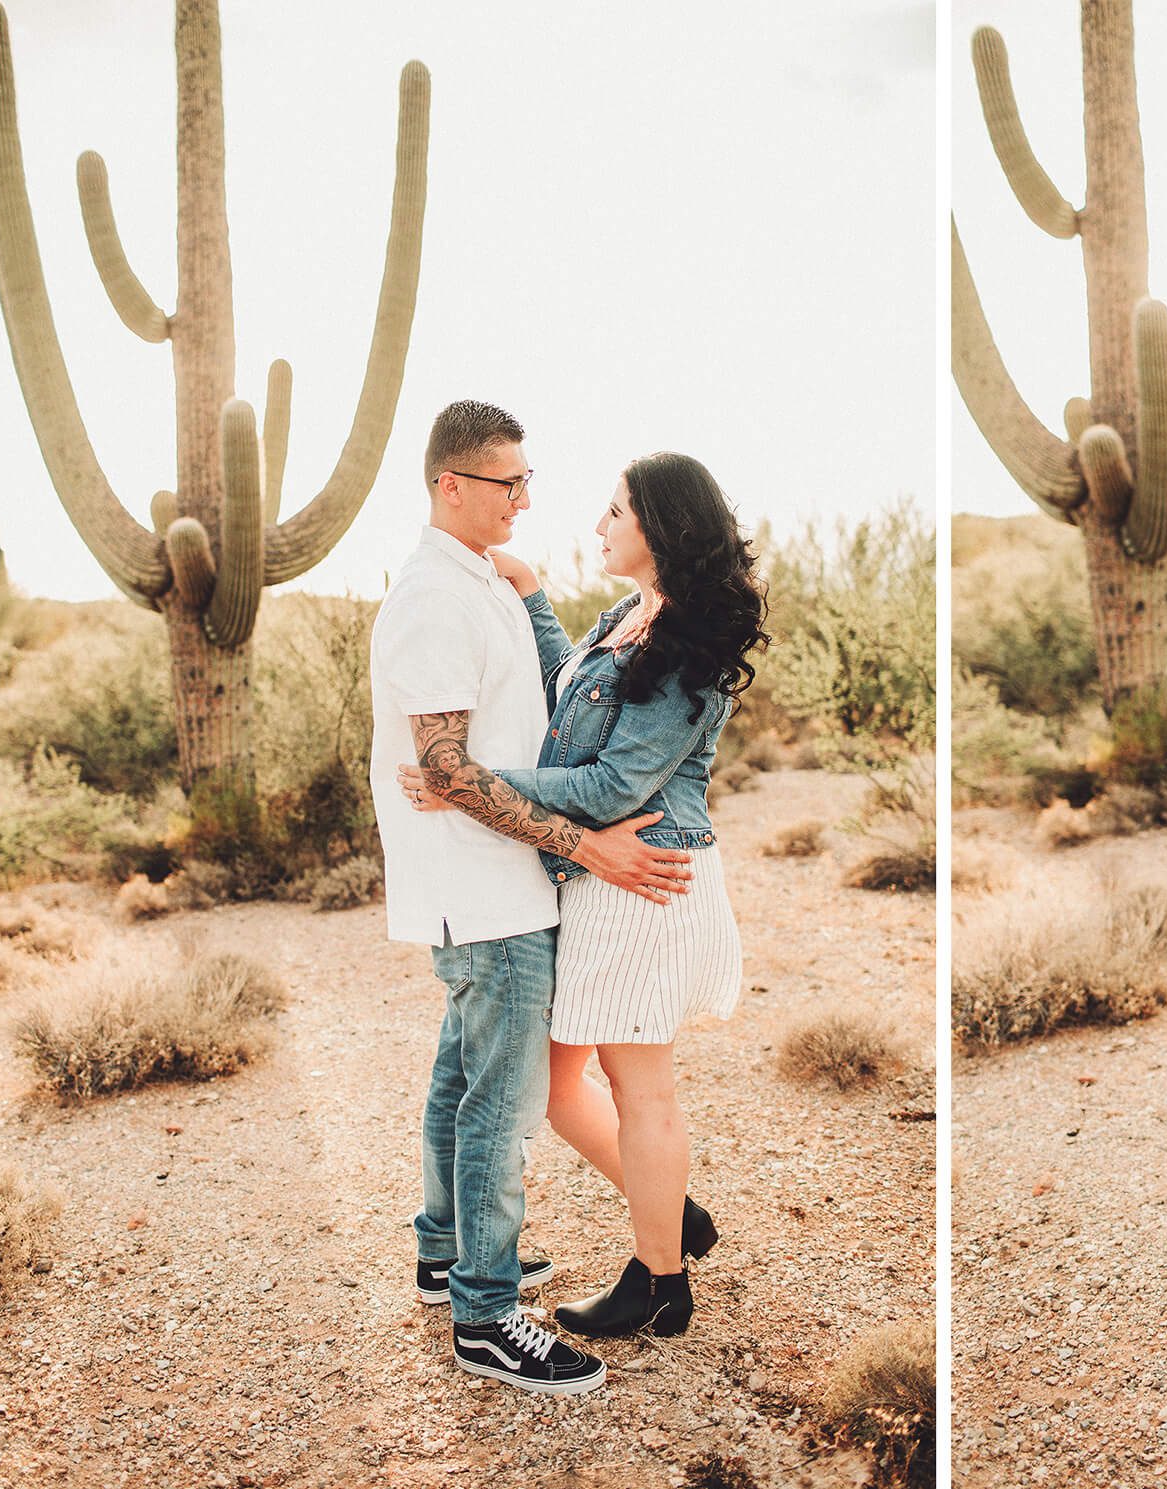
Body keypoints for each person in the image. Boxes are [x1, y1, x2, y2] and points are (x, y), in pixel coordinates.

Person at [401, 450, 766, 1340]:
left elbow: (607, 784)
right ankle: (671, 1215)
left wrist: (471, 779)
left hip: (645, 873)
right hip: (603, 875)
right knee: (563, 1085)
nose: (598, 525)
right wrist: (531, 599)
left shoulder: (688, 652)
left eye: (614, 512)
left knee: (637, 1087)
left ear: (661, 530)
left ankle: (662, 1279)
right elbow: (575, 695)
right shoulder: (634, 616)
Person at [369, 400, 694, 1396]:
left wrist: (531, 595)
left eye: (527, 479)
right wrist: (579, 843)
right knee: (498, 1108)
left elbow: (497, 738)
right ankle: (486, 1311)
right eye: (504, 482)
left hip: (492, 882)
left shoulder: (478, 585)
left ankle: (442, 1255)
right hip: (487, 890)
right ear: (448, 486)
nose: (524, 497)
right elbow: (448, 767)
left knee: (460, 1080)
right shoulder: (434, 595)